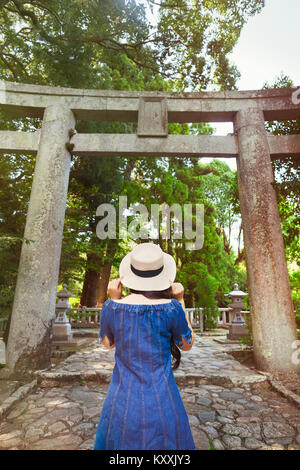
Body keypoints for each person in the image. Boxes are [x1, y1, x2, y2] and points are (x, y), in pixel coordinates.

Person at [93, 242, 196, 450]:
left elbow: (107, 343)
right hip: (162, 400)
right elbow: (186, 345)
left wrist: (115, 298)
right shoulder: (171, 308)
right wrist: (181, 300)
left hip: (122, 400)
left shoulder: (112, 307)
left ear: (130, 275)